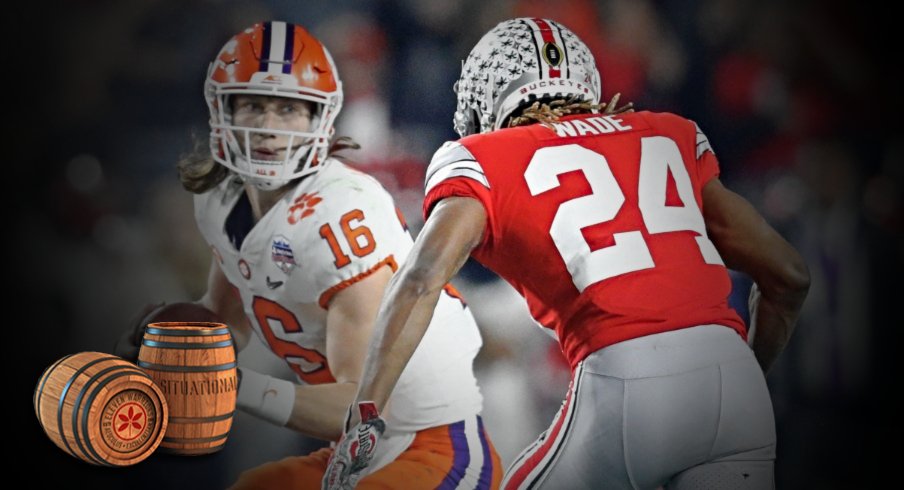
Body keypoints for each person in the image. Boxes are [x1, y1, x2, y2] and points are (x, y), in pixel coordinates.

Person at [324, 17, 810, 490]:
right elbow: (789, 275)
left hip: (627, 378)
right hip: (736, 380)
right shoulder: (668, 134)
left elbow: (421, 279)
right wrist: (744, 375)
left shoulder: (487, 156)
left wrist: (366, 411)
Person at [116, 21, 502, 490]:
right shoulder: (220, 198)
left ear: (320, 120)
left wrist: (227, 383)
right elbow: (226, 321)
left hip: (427, 445)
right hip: (353, 451)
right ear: (222, 111)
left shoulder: (341, 215)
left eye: (288, 109)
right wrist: (166, 344)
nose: (269, 128)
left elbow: (360, 407)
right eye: (254, 105)